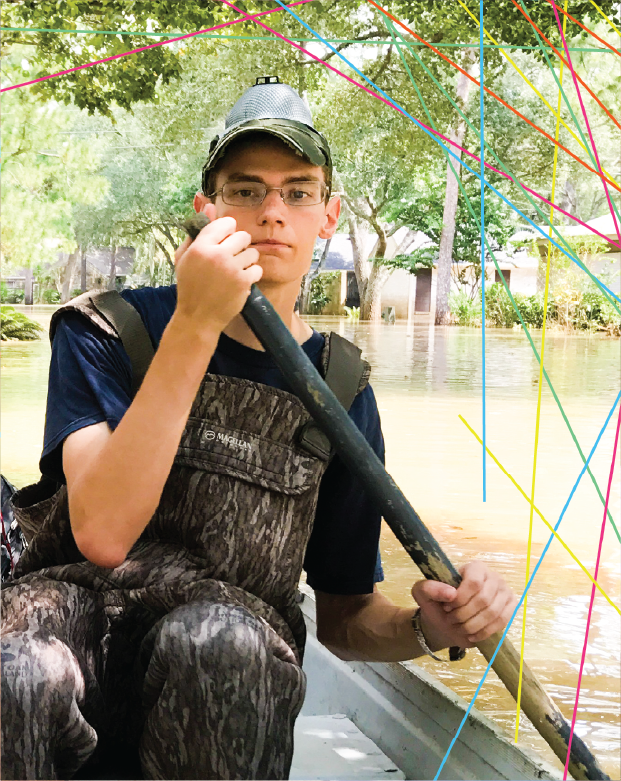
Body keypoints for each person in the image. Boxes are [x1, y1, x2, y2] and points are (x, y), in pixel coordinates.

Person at [0, 76, 517, 781]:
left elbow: (343, 616)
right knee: (15, 665)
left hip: (224, 666)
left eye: (297, 191)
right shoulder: (108, 327)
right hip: (72, 624)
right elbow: (102, 532)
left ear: (327, 215)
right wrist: (195, 320)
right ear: (205, 209)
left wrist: (427, 627)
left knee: (215, 643)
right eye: (245, 190)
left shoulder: (339, 390)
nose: (271, 212)